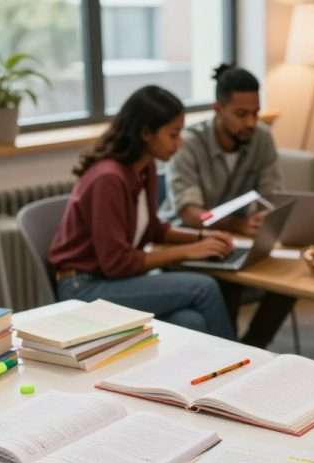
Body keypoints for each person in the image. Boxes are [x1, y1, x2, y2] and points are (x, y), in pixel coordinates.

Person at [48, 85, 235, 339]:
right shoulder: (109, 179)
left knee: (190, 321)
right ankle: (245, 371)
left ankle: (212, 372)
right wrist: (189, 251)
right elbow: (117, 263)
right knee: (204, 287)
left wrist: (201, 238)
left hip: (109, 280)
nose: (179, 144)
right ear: (146, 133)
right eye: (173, 135)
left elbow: (152, 230)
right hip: (84, 288)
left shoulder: (142, 168)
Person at [163, 64, 294, 348]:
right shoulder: (188, 144)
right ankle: (232, 351)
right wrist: (238, 225)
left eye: (256, 113)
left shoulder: (260, 138)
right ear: (217, 109)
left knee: (292, 278)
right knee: (228, 282)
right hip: (184, 241)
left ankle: (253, 347)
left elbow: (272, 195)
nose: (250, 122)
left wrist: (264, 219)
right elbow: (190, 213)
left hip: (235, 240)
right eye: (241, 114)